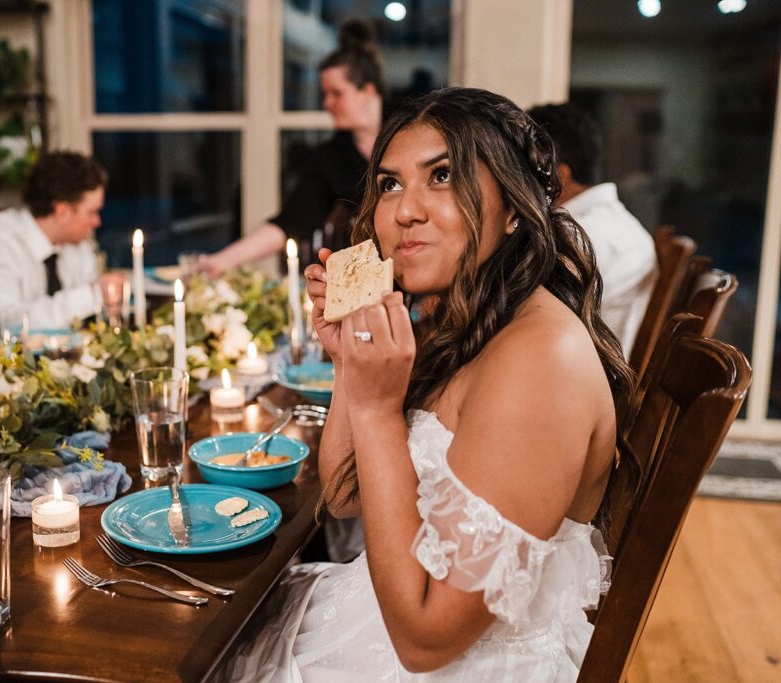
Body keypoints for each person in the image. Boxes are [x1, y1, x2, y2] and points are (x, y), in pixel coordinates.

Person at [218, 88, 638, 681]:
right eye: (389, 184)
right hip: (383, 614)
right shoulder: (462, 318)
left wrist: (378, 408)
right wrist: (349, 365)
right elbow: (344, 497)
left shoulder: (540, 360)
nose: (404, 211)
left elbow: (425, 640)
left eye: (441, 176)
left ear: (515, 207)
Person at [201, 19, 385, 276]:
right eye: (325, 94)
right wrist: (221, 261)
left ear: (367, 90)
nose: (327, 103)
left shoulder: (410, 129)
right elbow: (291, 222)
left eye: (336, 93)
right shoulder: (332, 156)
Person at [528, 102, 656, 358]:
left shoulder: (580, 235)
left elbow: (526, 318)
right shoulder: (612, 222)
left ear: (559, 176)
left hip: (589, 377)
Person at [0, 151, 107, 343]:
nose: (97, 222)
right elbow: (3, 324)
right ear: (62, 212)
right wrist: (89, 296)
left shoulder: (76, 245)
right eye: (92, 212)